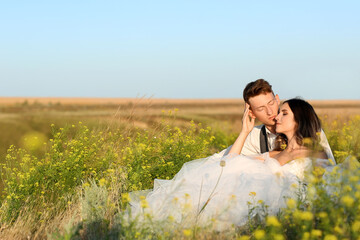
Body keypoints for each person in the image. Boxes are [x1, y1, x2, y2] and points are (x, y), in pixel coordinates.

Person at [129, 98, 329, 229]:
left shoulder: (314, 152)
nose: (277, 115)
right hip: (261, 200)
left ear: (299, 120)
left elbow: (323, 184)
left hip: (288, 204)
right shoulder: (276, 152)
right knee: (232, 169)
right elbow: (229, 162)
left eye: (284, 113)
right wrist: (245, 131)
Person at [230, 79, 335, 165]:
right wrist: (244, 131)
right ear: (251, 113)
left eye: (271, 103)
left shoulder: (313, 131)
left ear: (277, 99)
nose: (270, 112)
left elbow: (330, 170)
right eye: (261, 109)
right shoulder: (254, 136)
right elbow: (226, 163)